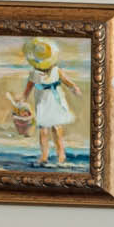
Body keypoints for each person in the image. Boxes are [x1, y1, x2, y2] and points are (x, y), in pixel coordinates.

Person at [21, 37, 80, 169]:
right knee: (43, 130)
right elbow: (28, 87)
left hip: (55, 101)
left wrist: (74, 88)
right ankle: (44, 156)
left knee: (57, 129)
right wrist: (23, 98)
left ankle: (61, 155)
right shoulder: (34, 73)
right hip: (42, 103)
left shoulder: (56, 70)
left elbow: (67, 81)